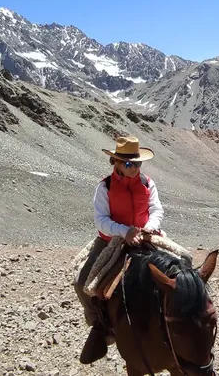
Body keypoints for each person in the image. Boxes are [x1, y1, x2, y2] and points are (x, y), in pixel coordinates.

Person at [74, 135, 163, 364]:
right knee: (82, 281)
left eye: (138, 163)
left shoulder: (148, 183)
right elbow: (101, 220)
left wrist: (149, 227)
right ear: (116, 162)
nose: (135, 168)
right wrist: (125, 231)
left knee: (183, 262)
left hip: (145, 235)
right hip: (112, 240)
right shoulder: (105, 187)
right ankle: (100, 325)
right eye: (129, 164)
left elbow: (156, 210)